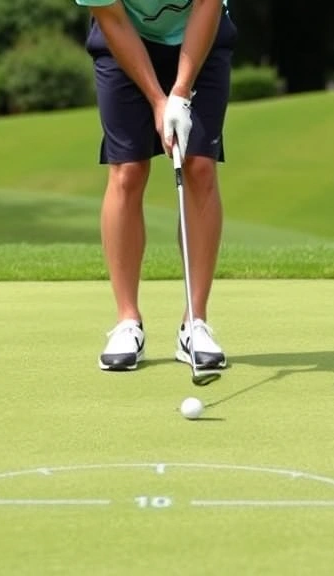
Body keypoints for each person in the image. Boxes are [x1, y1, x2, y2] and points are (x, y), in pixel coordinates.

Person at [74, 0, 237, 372]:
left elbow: (207, 4)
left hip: (202, 38)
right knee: (127, 171)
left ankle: (194, 324)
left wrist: (180, 91)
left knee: (199, 168)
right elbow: (111, 17)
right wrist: (157, 99)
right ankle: (127, 322)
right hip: (124, 41)